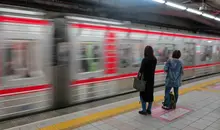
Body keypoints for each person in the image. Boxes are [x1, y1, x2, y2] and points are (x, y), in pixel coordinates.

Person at [138, 46, 157, 115]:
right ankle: (149, 109)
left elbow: (141, 71)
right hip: (151, 80)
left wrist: (138, 78)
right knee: (150, 94)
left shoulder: (145, 60)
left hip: (144, 80)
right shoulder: (155, 59)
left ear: (145, 52)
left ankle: (144, 110)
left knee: (142, 95)